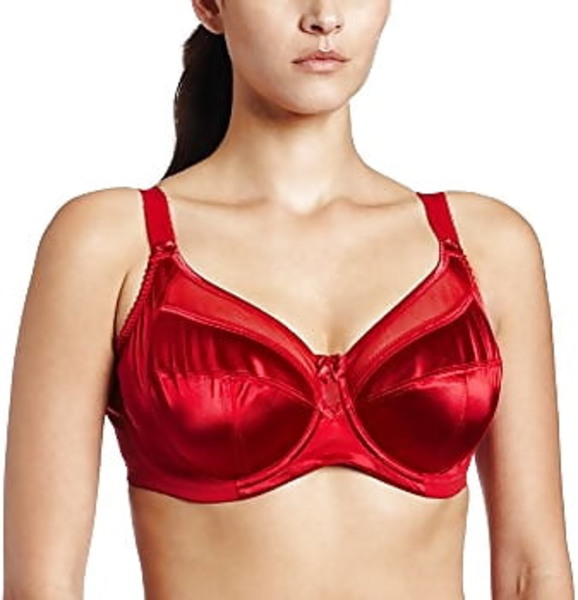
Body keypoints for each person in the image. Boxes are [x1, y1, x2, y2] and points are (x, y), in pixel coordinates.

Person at [3, 0, 574, 598]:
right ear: (210, 5)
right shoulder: (111, 242)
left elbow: (532, 572)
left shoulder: (487, 246)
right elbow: (42, 586)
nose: (325, 16)